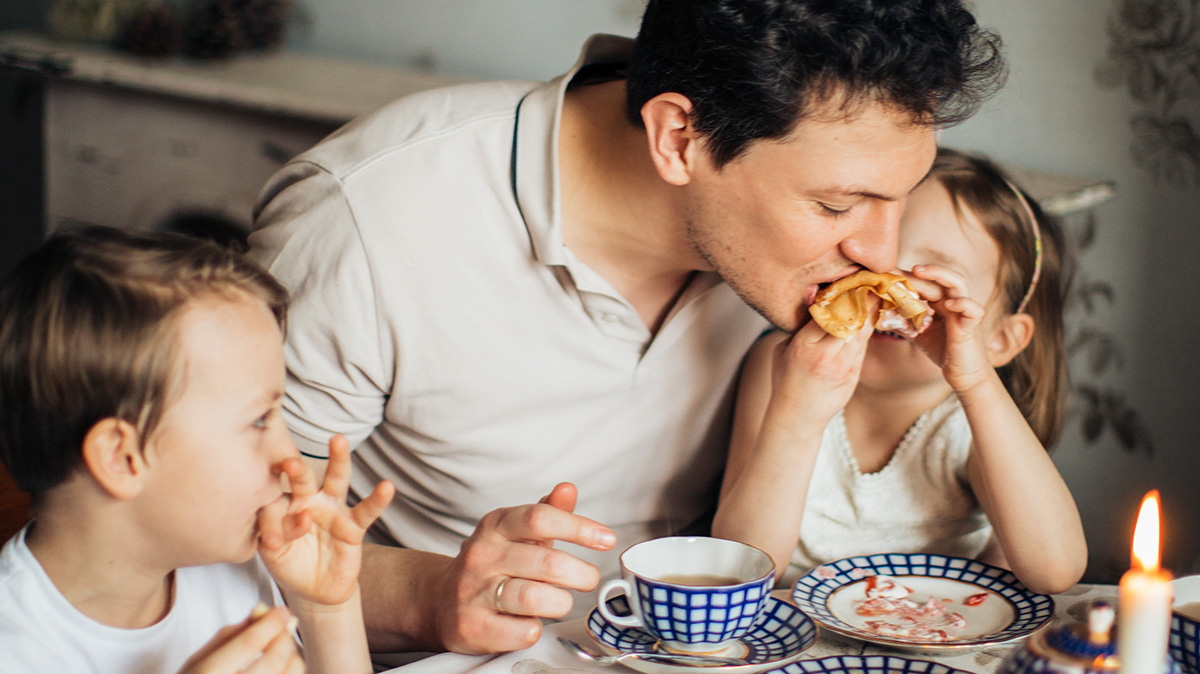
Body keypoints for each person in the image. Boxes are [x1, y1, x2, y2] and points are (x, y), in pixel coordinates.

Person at [248, 0, 1007, 653]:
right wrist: (431, 595)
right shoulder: (367, 219)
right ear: (679, 137)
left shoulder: (809, 249)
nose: (879, 251)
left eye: (901, 195)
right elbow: (221, 548)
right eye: (836, 207)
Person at [0, 226, 395, 673]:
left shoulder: (228, 564)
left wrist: (326, 609)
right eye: (259, 420)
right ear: (122, 458)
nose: (290, 459)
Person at [711, 148, 1088, 595]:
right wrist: (796, 416)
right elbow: (738, 570)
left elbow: (1056, 570)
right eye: (876, 265)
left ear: (999, 340)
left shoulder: (971, 421)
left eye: (932, 279)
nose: (889, 290)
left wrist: (976, 381)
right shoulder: (784, 366)